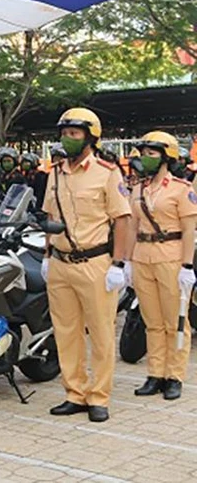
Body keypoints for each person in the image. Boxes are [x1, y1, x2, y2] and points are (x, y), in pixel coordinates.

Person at [41, 108, 131, 423]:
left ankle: (99, 396)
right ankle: (74, 393)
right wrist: (46, 255)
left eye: (74, 133)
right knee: (66, 332)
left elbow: (122, 220)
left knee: (102, 332)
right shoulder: (54, 173)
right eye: (64, 133)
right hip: (60, 263)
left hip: (95, 263)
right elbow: (50, 217)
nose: (67, 138)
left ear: (90, 137)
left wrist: (119, 263)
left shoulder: (107, 172)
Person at [128, 132, 197, 401]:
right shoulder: (138, 189)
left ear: (166, 157)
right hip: (143, 257)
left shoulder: (181, 189)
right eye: (144, 153)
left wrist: (187, 266)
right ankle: (155, 374)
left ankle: (174, 376)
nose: (145, 158)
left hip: (171, 257)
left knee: (175, 322)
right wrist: (127, 261)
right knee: (152, 322)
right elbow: (132, 226)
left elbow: (189, 230)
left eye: (152, 153)